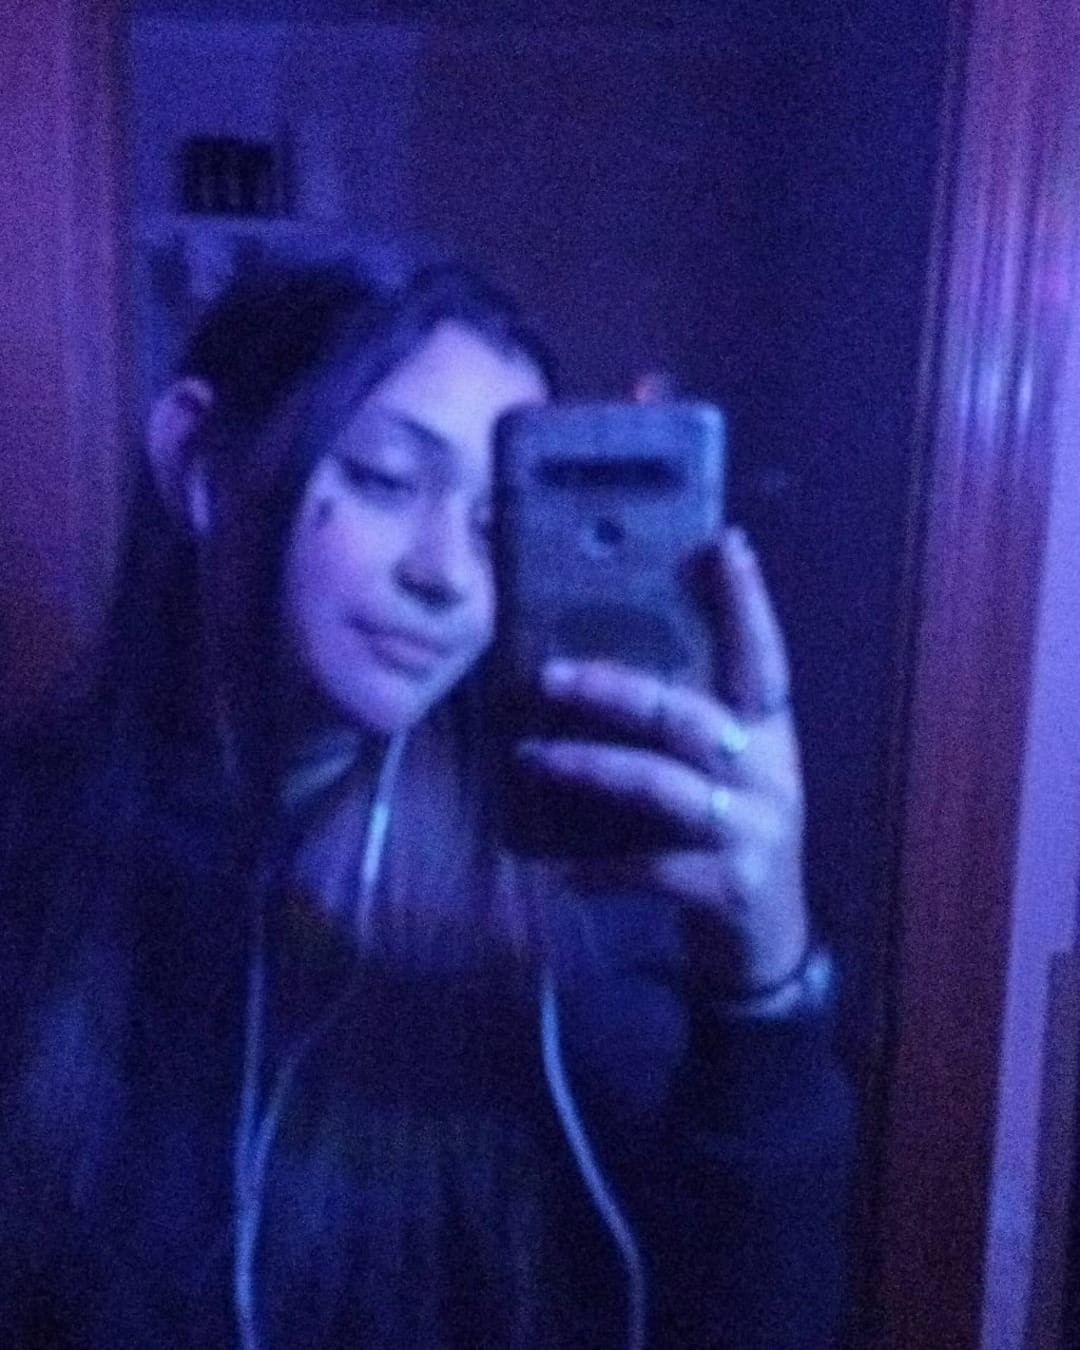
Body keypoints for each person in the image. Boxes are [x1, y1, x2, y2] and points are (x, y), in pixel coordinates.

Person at [0, 259, 852, 1348]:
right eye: (388, 479)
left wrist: (765, 986)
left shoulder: (570, 872)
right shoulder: (35, 836)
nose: (449, 576)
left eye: (498, 522)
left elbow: (747, 1319)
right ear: (198, 461)